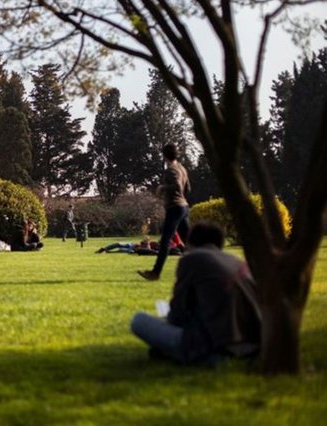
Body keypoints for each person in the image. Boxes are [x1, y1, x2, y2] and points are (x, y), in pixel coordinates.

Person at [130, 223, 261, 365]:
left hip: (215, 344)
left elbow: (177, 314)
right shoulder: (236, 261)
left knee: (139, 320)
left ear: (190, 242)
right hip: (251, 344)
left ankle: (198, 356)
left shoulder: (192, 259)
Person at [138, 143, 191, 281]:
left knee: (166, 240)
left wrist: (162, 188)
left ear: (164, 155)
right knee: (189, 242)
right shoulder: (182, 169)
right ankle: (201, 270)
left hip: (174, 207)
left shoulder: (171, 170)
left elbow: (177, 186)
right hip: (184, 207)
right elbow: (187, 189)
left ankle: (155, 272)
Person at [97, 233, 183, 255]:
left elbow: (149, 250)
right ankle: (103, 249)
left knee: (121, 249)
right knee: (118, 244)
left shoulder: (159, 249)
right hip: (134, 245)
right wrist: (145, 240)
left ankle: (109, 252)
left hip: (135, 249)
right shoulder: (157, 243)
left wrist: (147, 243)